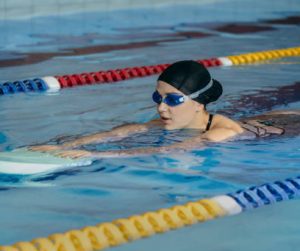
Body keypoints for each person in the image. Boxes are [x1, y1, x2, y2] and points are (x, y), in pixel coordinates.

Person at [30, 60, 300, 158]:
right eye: (158, 98)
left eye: (172, 100)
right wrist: (72, 142)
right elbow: (126, 131)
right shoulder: (173, 120)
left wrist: (88, 155)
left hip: (290, 127)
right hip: (265, 120)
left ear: (198, 102)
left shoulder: (222, 132)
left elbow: (165, 150)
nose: (161, 107)